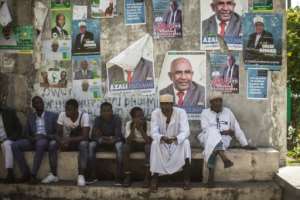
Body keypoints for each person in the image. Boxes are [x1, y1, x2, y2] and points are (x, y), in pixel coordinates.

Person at [198, 92, 255, 187]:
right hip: (206, 138)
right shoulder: (205, 113)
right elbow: (205, 129)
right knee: (212, 132)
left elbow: (236, 127)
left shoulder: (228, 112)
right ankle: (224, 158)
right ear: (211, 103)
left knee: (214, 147)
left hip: (223, 141)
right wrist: (223, 132)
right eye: (216, 102)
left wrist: (245, 144)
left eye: (220, 101)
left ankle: (211, 178)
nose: (219, 104)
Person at [12, 96, 58, 184]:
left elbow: (57, 134)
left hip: (45, 140)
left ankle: (33, 175)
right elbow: (25, 133)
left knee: (40, 143)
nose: (40, 104)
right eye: (37, 103)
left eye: (41, 102)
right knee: (15, 145)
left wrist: (43, 136)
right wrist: (31, 138)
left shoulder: (53, 116)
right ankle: (25, 173)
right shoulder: (30, 117)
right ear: (33, 105)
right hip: (33, 140)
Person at [150, 94, 191, 192]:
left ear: (172, 104)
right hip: (163, 142)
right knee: (155, 144)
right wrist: (162, 138)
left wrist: (176, 139)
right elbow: (153, 132)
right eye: (163, 104)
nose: (165, 107)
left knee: (186, 143)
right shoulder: (156, 113)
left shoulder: (181, 112)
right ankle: (155, 178)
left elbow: (186, 131)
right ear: (160, 105)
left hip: (176, 142)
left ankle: (186, 178)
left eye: (168, 104)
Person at [56, 99, 90, 186]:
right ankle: (53, 174)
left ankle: (81, 175)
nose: (67, 111)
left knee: (83, 144)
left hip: (79, 142)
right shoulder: (62, 115)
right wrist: (61, 142)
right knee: (52, 144)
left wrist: (69, 140)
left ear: (76, 109)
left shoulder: (84, 116)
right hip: (67, 143)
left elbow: (85, 136)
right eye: (66, 109)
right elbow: (58, 133)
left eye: (69, 109)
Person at [88, 102, 124, 186]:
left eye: (108, 111)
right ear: (100, 112)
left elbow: (118, 135)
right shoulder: (98, 119)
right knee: (91, 145)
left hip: (114, 143)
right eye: (103, 111)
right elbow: (94, 136)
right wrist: (106, 139)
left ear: (112, 111)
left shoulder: (116, 119)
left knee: (119, 146)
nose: (106, 113)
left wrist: (103, 137)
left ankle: (119, 177)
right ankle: (92, 175)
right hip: (102, 143)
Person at [0, 73, 22, 183]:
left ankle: (10, 172)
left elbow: (19, 129)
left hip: (6, 139)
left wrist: (10, 138)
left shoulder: (9, 112)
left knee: (6, 144)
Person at [123, 107, 152, 187]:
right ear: (133, 118)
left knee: (148, 148)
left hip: (145, 143)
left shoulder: (148, 124)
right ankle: (127, 176)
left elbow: (148, 140)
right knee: (125, 148)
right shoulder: (129, 124)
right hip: (134, 143)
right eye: (138, 116)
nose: (141, 118)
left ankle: (147, 177)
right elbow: (128, 141)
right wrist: (134, 128)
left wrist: (141, 129)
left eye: (142, 115)